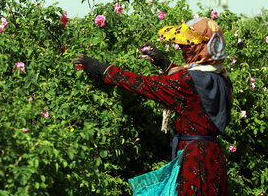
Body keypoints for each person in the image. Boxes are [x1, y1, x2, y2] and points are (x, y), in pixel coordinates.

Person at [72, 17, 232, 196]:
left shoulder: (187, 81)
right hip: (214, 158)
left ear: (203, 47)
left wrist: (103, 69)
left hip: (194, 160)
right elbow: (192, 83)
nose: (183, 49)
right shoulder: (222, 78)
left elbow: (146, 85)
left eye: (189, 45)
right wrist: (166, 64)